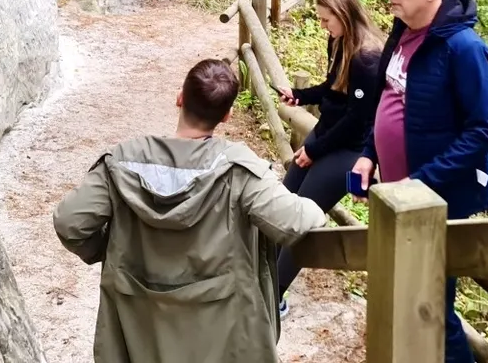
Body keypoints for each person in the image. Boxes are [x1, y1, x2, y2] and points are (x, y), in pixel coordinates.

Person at [53, 58, 325, 363]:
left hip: (137, 324)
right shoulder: (240, 171)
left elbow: (69, 222)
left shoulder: (121, 162)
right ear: (226, 116)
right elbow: (295, 222)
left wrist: (106, 248)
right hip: (222, 331)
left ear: (179, 97)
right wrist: (317, 206)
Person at [352, 0, 488, 363]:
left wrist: (419, 182)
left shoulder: (464, 49)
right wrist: (369, 154)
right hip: (401, 195)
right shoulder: (402, 33)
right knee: (407, 293)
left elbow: (484, 131)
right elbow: (389, 98)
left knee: (433, 307)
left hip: (436, 200)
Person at [272, 0, 384, 318]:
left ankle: (272, 294)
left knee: (302, 218)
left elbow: (358, 117)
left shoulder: (368, 57)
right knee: (282, 203)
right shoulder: (338, 41)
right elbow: (333, 91)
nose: (322, 26)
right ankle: (260, 275)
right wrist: (300, 95)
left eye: (326, 20)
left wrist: (315, 150)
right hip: (326, 136)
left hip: (349, 150)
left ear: (344, 15)